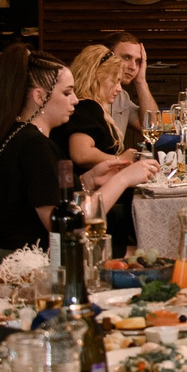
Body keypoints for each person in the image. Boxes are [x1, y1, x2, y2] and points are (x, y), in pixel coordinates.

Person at [0, 45, 149, 254]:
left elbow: (43, 195)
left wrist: (88, 181)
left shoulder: (16, 134)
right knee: (146, 252)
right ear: (40, 97)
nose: (75, 100)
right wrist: (124, 179)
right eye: (67, 93)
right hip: (35, 264)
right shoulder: (34, 145)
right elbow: (70, 229)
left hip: (31, 253)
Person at [55, 44, 156, 253]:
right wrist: (120, 160)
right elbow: (81, 153)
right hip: (95, 206)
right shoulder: (87, 107)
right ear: (97, 76)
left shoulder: (90, 107)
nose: (119, 88)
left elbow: (151, 124)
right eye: (116, 81)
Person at [105, 30, 159, 147]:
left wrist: (141, 82)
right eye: (126, 58)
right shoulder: (84, 94)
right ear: (107, 57)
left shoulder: (122, 96)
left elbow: (151, 126)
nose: (133, 67)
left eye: (138, 61)